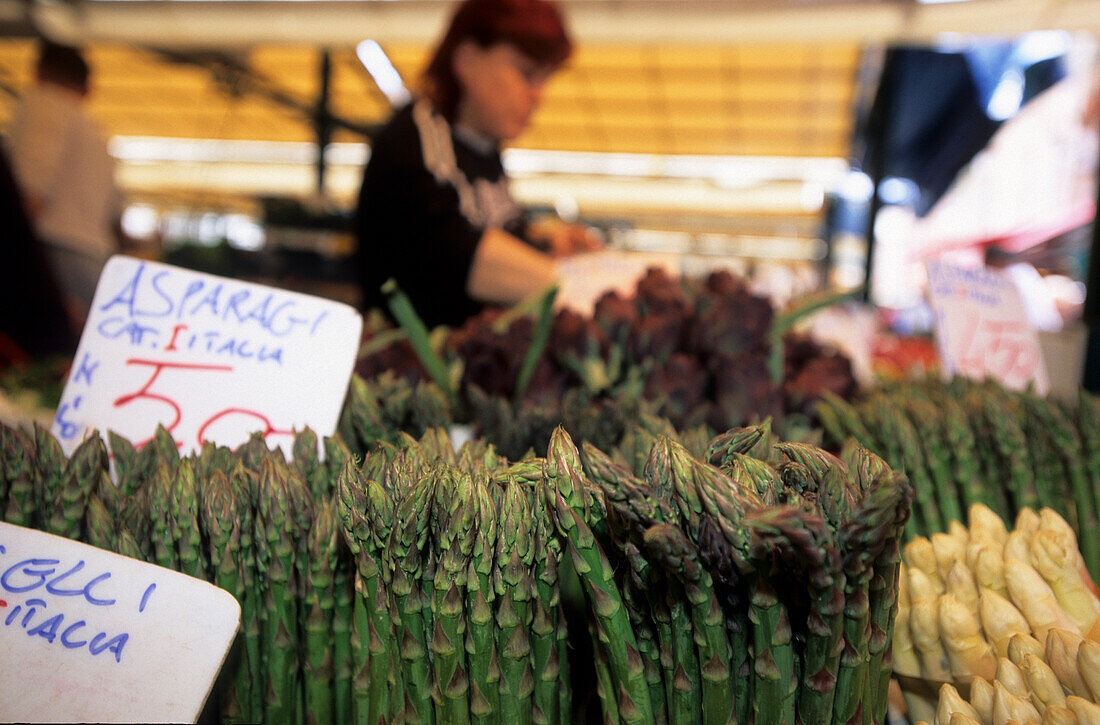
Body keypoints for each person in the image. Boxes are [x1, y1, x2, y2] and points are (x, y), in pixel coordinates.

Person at [355, 0, 601, 328]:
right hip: (414, 367)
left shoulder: (483, 150)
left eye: (545, 79)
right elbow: (456, 252)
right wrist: (587, 287)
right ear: (467, 60)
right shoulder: (418, 138)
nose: (539, 94)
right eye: (527, 73)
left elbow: (492, 224)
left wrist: (545, 240)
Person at [6, 39, 123, 329]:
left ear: (39, 73)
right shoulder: (96, 134)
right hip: (92, 261)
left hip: (51, 254)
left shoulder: (44, 103)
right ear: (87, 88)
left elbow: (30, 192)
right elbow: (116, 218)